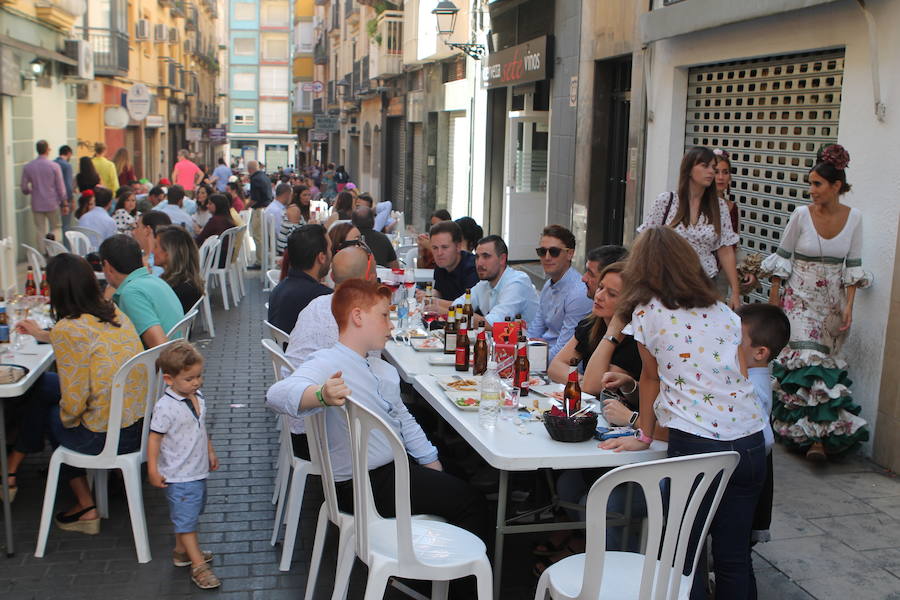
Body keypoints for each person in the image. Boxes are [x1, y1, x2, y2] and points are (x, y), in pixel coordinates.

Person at [601, 226, 767, 600]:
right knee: (734, 558)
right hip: (752, 442)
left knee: (681, 560)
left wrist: (643, 434)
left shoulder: (647, 312)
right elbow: (739, 375)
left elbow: (649, 378)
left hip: (698, 446)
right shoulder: (724, 311)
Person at [266, 279, 488, 545]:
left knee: (456, 471)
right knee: (472, 502)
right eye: (384, 316)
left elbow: (403, 418)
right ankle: (449, 580)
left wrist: (432, 463)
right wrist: (320, 395)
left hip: (384, 470)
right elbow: (277, 395)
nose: (391, 325)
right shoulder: (329, 362)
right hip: (362, 485)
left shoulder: (379, 368)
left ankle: (431, 560)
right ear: (358, 317)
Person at [7, 254, 145, 531]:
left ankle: (85, 505)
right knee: (41, 387)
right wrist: (46, 335)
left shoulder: (68, 329)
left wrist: (61, 419)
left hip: (107, 438)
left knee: (49, 411)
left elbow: (73, 405)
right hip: (138, 425)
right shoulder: (111, 310)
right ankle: (11, 468)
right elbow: (88, 343)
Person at [762, 143, 869, 460]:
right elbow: (781, 260)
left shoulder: (855, 218)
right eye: (809, 183)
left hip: (832, 303)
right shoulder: (800, 216)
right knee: (806, 361)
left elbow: (853, 266)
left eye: (817, 184)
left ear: (837, 186)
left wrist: (849, 306)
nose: (811, 190)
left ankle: (805, 432)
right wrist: (774, 304)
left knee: (823, 367)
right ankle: (815, 442)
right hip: (798, 299)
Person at [281, 245, 377, 448]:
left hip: (297, 423)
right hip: (329, 437)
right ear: (369, 279)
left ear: (332, 275)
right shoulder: (362, 318)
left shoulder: (315, 305)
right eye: (376, 275)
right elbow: (373, 379)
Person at [147, 341, 220, 589]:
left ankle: (181, 553)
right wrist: (153, 468)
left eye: (199, 376)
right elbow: (154, 438)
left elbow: (201, 427)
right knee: (187, 520)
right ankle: (198, 564)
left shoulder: (196, 396)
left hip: (197, 470)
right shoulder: (165, 407)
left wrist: (209, 450)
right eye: (189, 378)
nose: (197, 382)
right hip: (179, 475)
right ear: (169, 379)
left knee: (190, 515)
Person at [639, 146, 741, 308]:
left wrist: (735, 292)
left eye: (714, 168)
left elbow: (726, 250)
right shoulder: (666, 201)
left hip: (705, 282)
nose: (711, 172)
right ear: (689, 168)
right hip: (668, 282)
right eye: (705, 166)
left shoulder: (719, 206)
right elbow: (645, 241)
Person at [735, 303, 791, 545]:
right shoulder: (753, 378)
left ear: (760, 353)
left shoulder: (752, 388)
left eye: (735, 340)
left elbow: (765, 440)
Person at [549, 262, 641, 395]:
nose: (599, 296)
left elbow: (594, 387)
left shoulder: (633, 339)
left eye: (612, 294)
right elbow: (555, 367)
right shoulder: (591, 323)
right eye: (600, 287)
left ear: (629, 303)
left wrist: (611, 335)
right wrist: (581, 382)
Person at [100, 234, 185, 347]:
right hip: (177, 352)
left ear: (107, 266)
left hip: (161, 360)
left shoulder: (131, 293)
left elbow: (160, 346)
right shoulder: (154, 280)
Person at [528, 225, 594, 362]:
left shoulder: (579, 293)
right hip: (540, 359)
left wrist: (531, 360)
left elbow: (564, 350)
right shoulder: (548, 285)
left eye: (554, 252)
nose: (547, 257)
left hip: (564, 368)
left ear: (570, 254)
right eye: (542, 251)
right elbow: (535, 330)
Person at [453, 235, 538, 327]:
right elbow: (458, 305)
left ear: (502, 259)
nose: (479, 263)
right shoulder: (484, 283)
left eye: (486, 256)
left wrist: (459, 315)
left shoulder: (517, 282)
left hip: (530, 340)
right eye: (477, 257)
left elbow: (494, 324)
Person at [267, 224, 332, 334]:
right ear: (321, 257)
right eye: (330, 249)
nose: (332, 254)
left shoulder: (279, 288)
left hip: (286, 349)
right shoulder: (321, 298)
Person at [713, 149, 757, 295]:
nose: (721, 177)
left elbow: (734, 247)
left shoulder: (732, 208)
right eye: (716, 172)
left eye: (725, 172)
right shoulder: (695, 205)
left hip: (722, 275)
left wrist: (746, 268)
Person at [418, 220, 478, 310]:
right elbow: (441, 292)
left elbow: (466, 306)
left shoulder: (473, 268)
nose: (439, 253)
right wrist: (429, 294)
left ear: (458, 247)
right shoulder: (441, 264)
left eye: (445, 247)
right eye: (435, 248)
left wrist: (433, 301)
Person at [20, 139, 66, 252]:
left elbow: (24, 187)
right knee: (55, 228)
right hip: (52, 202)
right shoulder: (54, 166)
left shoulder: (29, 167)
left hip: (37, 202)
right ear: (47, 150)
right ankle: (54, 252)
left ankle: (42, 253)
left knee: (40, 229)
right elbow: (60, 187)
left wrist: (30, 191)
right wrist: (64, 202)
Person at [156, 226, 204, 312]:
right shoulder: (187, 282)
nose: (152, 250)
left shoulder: (179, 290)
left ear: (168, 252)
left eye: (156, 246)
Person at [248, 160, 272, 267]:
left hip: (259, 209)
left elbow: (254, 198)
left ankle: (260, 261)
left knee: (257, 235)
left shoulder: (255, 179)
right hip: (266, 208)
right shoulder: (264, 176)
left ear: (249, 169)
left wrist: (245, 207)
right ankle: (263, 259)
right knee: (263, 235)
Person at [276, 184, 312, 255]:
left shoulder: (301, 209)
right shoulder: (295, 209)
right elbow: (294, 235)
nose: (307, 198)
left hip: (291, 246)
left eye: (309, 195)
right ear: (297, 196)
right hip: (286, 250)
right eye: (304, 195)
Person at [134, 210, 172, 276]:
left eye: (137, 227)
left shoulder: (155, 265)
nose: (133, 232)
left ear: (147, 230)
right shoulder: (167, 261)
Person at [54, 145, 75, 232]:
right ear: (69, 153)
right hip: (65, 199)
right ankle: (67, 245)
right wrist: (71, 199)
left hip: (53, 199)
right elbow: (68, 185)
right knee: (66, 225)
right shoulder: (67, 166)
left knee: (53, 227)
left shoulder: (53, 163)